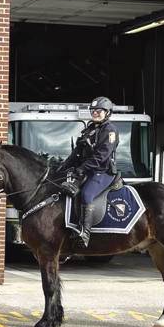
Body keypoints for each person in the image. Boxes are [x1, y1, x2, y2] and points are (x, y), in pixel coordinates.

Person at [59, 96, 119, 248]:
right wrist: (61, 168)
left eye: (99, 111)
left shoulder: (110, 130)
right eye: (93, 110)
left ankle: (85, 233)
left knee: (86, 194)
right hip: (88, 170)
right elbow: (76, 153)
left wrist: (81, 169)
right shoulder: (90, 129)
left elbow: (102, 156)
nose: (95, 113)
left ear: (108, 113)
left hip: (103, 172)